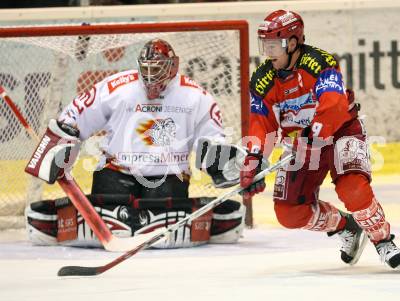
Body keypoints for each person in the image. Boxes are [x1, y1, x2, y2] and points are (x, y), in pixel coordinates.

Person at [24, 38, 245, 249]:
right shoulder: (117, 86)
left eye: (157, 69)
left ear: (173, 66)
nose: (150, 76)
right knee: (115, 200)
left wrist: (221, 162)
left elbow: (212, 139)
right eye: (146, 69)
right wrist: (59, 142)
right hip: (116, 171)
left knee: (159, 206)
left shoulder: (196, 96)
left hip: (168, 175)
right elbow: (77, 113)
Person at [240, 10, 400, 269]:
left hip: (341, 131)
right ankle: (346, 226)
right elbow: (262, 123)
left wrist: (314, 133)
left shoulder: (319, 62)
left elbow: (334, 104)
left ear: (293, 43)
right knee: (289, 213)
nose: (268, 52)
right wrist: (255, 158)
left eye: (274, 45)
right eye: (265, 45)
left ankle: (382, 239)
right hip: (303, 145)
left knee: (353, 189)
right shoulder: (263, 80)